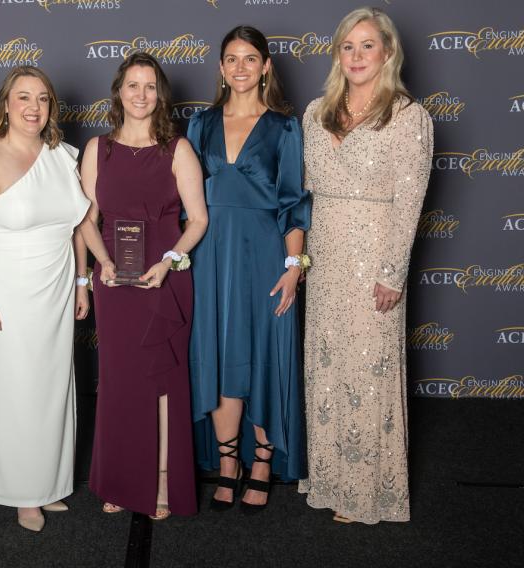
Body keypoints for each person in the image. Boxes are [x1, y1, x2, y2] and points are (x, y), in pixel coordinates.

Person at [298, 7, 433, 524]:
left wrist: (391, 273)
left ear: (388, 53)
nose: (357, 56)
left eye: (368, 46)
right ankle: (330, 478)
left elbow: (409, 200)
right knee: (328, 371)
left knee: (366, 375)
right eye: (348, 46)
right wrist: (301, 255)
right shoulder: (316, 112)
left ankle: (364, 492)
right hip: (325, 258)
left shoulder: (407, 116)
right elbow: (304, 194)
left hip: (372, 262)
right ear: (338, 54)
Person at [0, 66, 91, 533]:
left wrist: (82, 282)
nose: (34, 107)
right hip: (6, 292)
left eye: (43, 99)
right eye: (23, 98)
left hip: (55, 291)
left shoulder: (63, 155)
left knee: (53, 391)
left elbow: (76, 225)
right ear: (6, 105)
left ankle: (49, 483)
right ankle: (21, 494)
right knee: (16, 393)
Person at [186, 25, 311, 513]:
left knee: (259, 354)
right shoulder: (199, 124)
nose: (240, 67)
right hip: (209, 255)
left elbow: (294, 204)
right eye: (231, 59)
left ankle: (262, 461)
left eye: (250, 58)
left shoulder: (284, 127)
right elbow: (184, 200)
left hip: (263, 254)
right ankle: (227, 462)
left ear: (266, 66)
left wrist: (293, 266)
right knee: (219, 355)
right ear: (220, 67)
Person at [78, 52, 208, 520]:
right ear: (118, 92)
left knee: (162, 385)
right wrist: (104, 262)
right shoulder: (98, 149)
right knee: (118, 383)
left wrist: (170, 262)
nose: (140, 94)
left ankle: (160, 483)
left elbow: (198, 220)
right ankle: (117, 478)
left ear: (160, 94)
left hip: (164, 280)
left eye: (149, 86)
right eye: (132, 85)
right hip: (115, 280)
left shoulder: (178, 149)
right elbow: (87, 220)